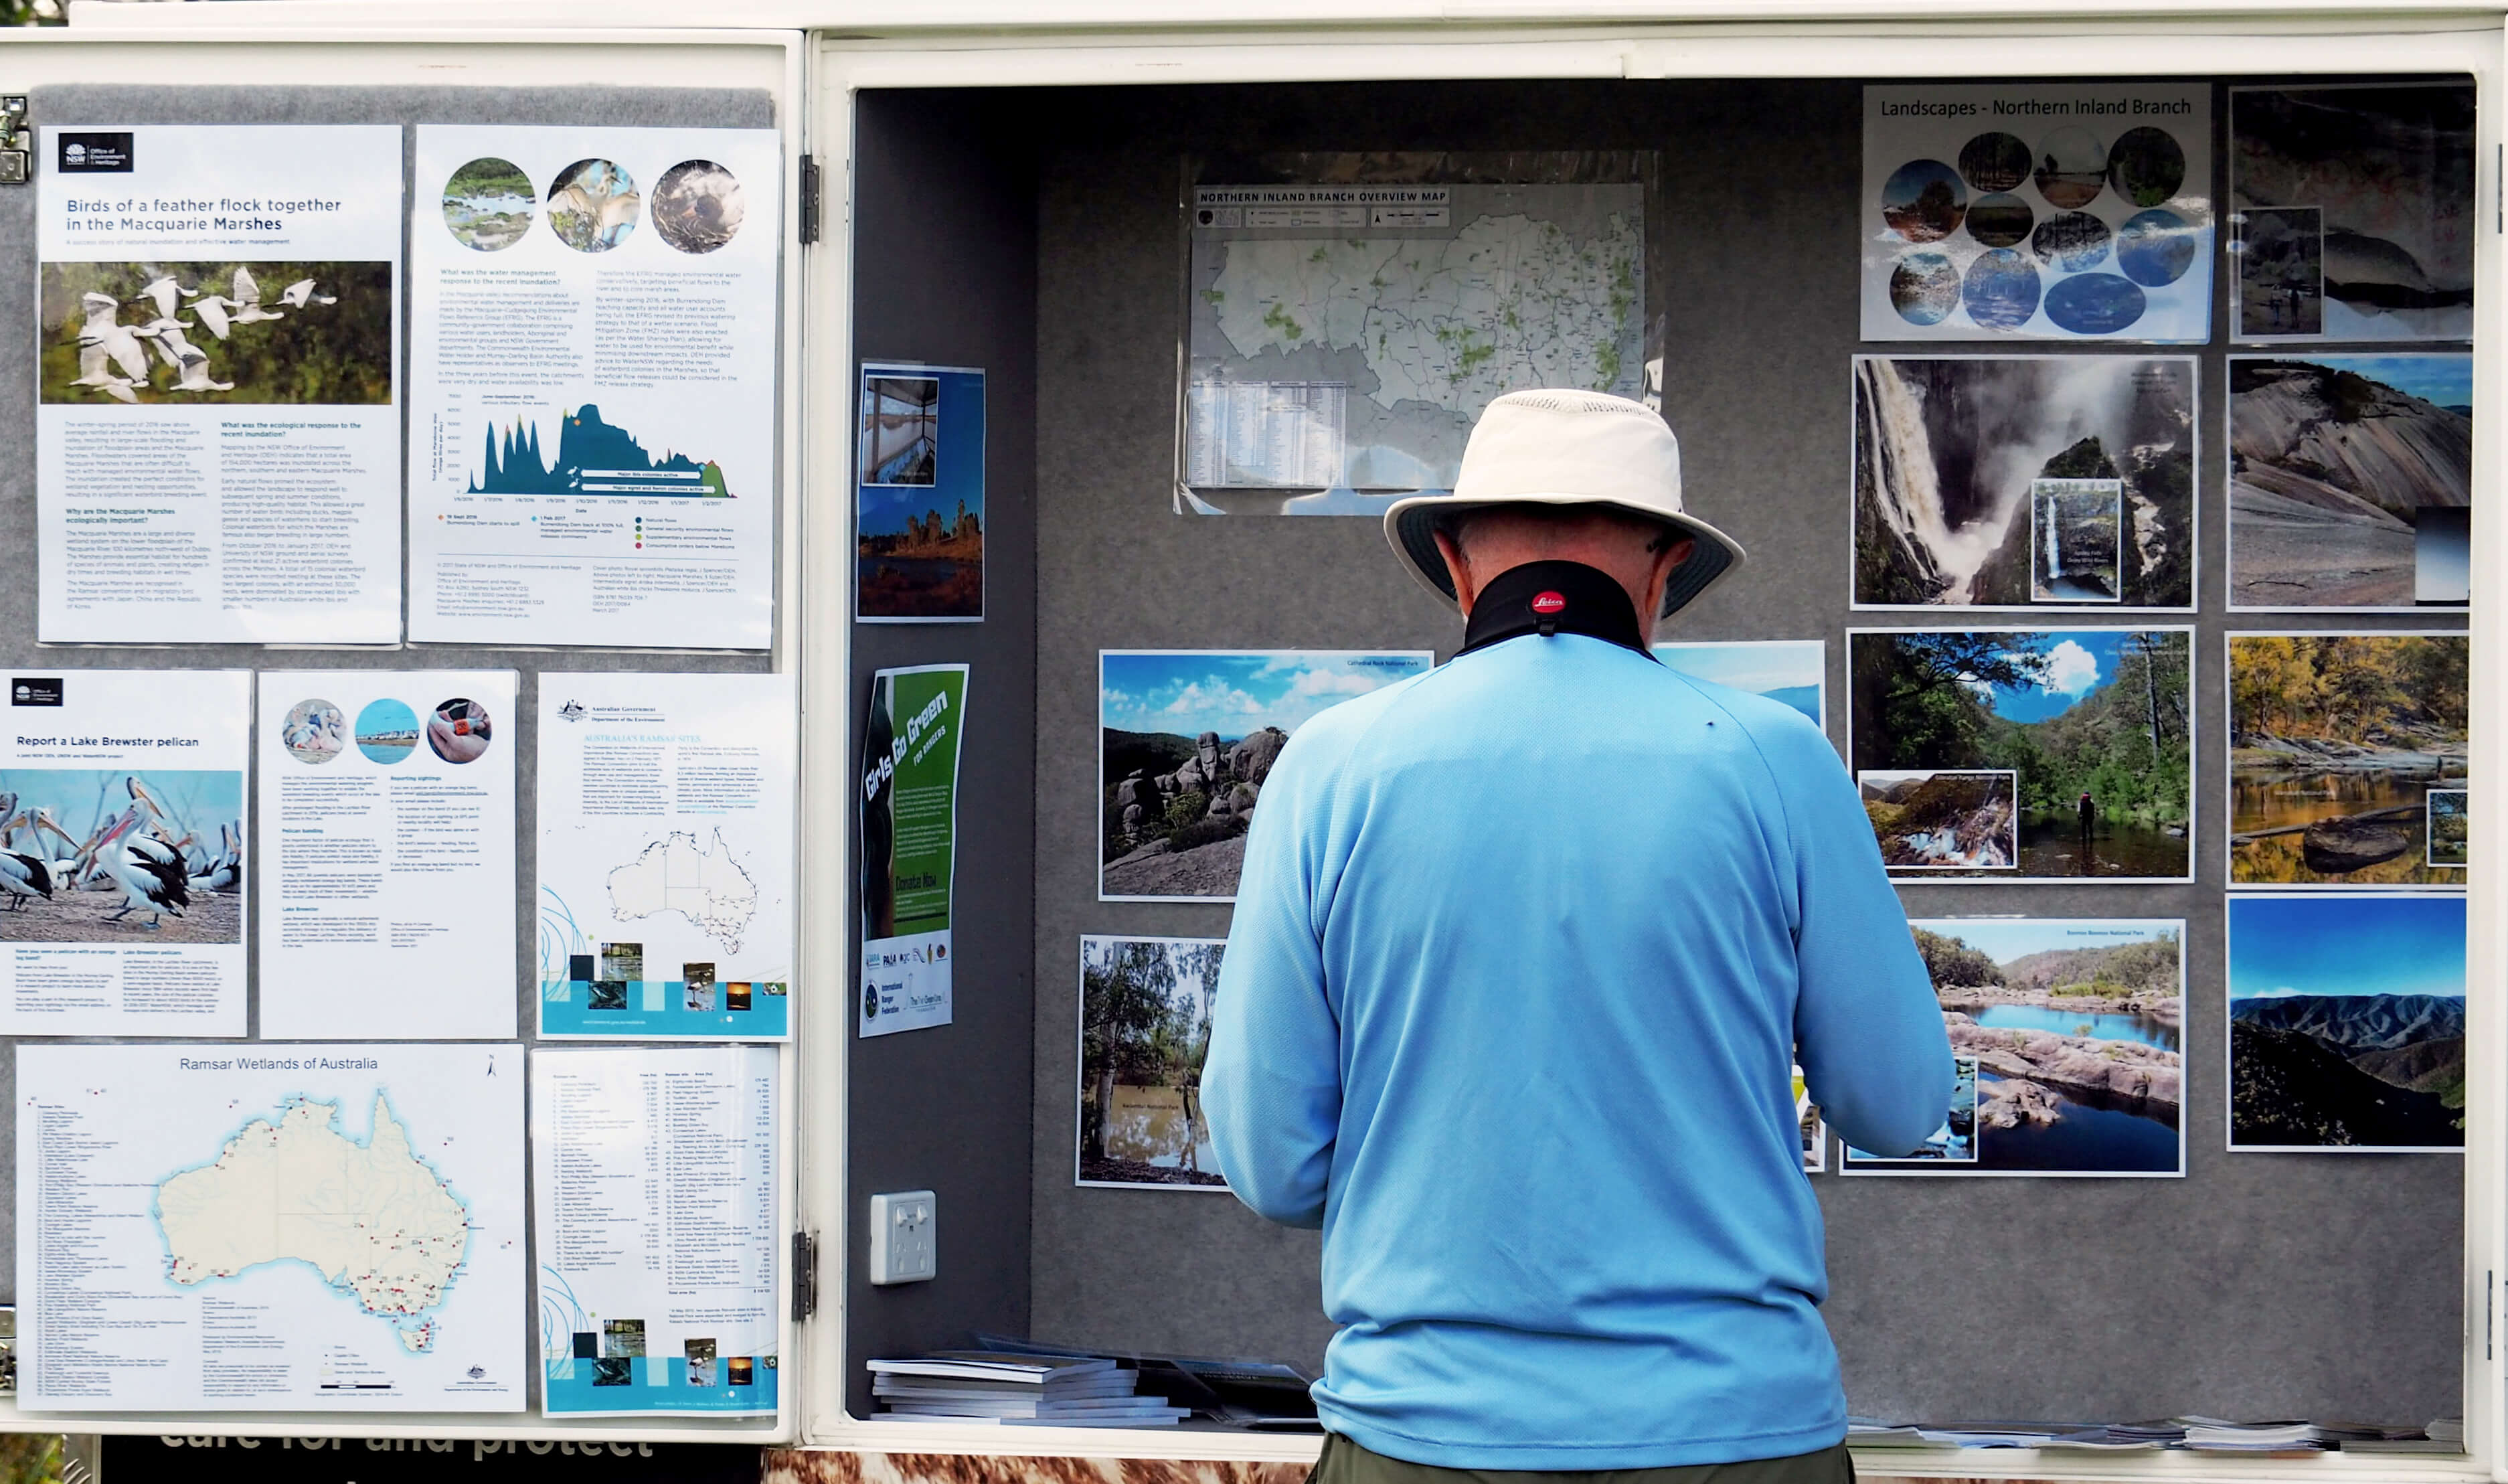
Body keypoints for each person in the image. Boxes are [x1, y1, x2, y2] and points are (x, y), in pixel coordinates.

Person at [1202, 388, 1953, 1484]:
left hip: (1422, 1438)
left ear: (1456, 563)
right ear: (1662, 573)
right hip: (1737, 1437)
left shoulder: (1329, 767)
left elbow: (1272, 1164)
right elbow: (1899, 1104)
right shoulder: (1778, 760)